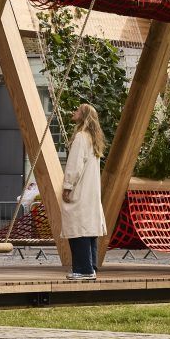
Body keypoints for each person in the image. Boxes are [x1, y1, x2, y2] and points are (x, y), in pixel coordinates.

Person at [58, 103, 108, 283]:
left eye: (77, 110)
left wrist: (68, 186)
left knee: (78, 229)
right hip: (91, 193)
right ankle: (91, 267)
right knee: (89, 230)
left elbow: (74, 165)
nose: (74, 111)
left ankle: (82, 268)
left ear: (84, 116)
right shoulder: (93, 140)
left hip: (80, 191)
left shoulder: (80, 137)